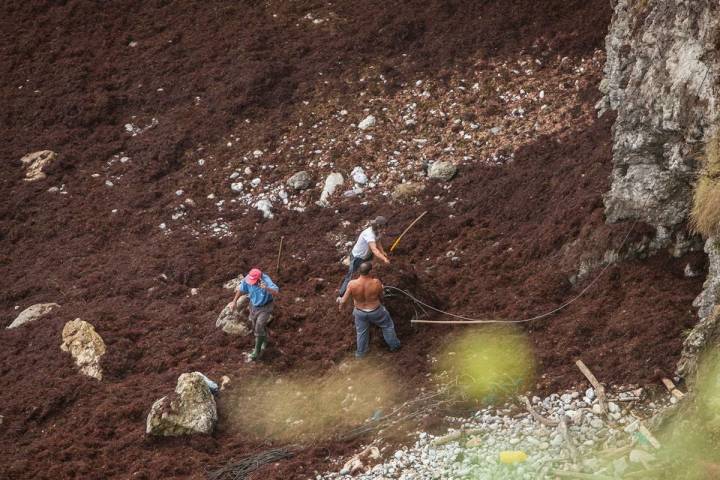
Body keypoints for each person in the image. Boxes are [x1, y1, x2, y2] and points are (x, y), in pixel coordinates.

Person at [338, 261, 400, 357]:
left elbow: (343, 300)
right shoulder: (376, 282)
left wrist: (340, 307)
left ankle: (361, 354)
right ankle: (394, 346)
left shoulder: (352, 284)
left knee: (361, 333)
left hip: (360, 313)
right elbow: (382, 296)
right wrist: (381, 288)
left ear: (359, 271)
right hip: (376, 311)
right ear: (370, 271)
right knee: (387, 326)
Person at [228, 268, 279, 361]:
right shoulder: (248, 279)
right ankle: (264, 340)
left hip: (265, 306)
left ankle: (257, 351)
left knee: (259, 326)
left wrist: (266, 288)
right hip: (254, 306)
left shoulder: (266, 280)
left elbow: (276, 292)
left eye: (254, 281)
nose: (251, 283)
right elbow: (241, 289)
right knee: (255, 324)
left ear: (260, 278)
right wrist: (234, 301)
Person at [337, 216, 391, 302]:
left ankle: (368, 288)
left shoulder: (378, 232)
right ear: (378, 226)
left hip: (367, 255)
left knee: (369, 271)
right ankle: (341, 294)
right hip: (358, 257)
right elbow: (374, 249)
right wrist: (384, 259)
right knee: (351, 275)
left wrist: (383, 251)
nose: (384, 230)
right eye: (383, 228)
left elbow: (378, 241)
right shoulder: (369, 234)